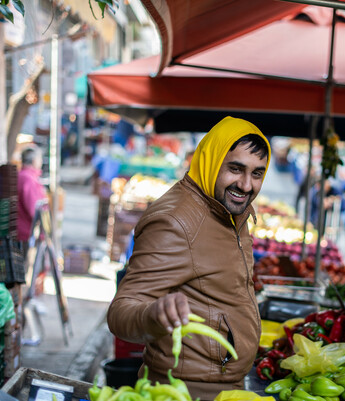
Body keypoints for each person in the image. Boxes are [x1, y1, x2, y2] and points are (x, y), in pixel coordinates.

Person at [106, 116, 271, 399]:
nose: (246, 185)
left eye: (257, 173)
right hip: (187, 391)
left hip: (224, 386)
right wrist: (152, 315)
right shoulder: (175, 221)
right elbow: (121, 311)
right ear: (211, 161)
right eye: (235, 169)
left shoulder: (231, 212)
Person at [17, 145, 48, 247]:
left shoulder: (24, 176)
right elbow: (34, 209)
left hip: (23, 230)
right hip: (24, 232)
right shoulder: (28, 179)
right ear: (34, 160)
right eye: (40, 159)